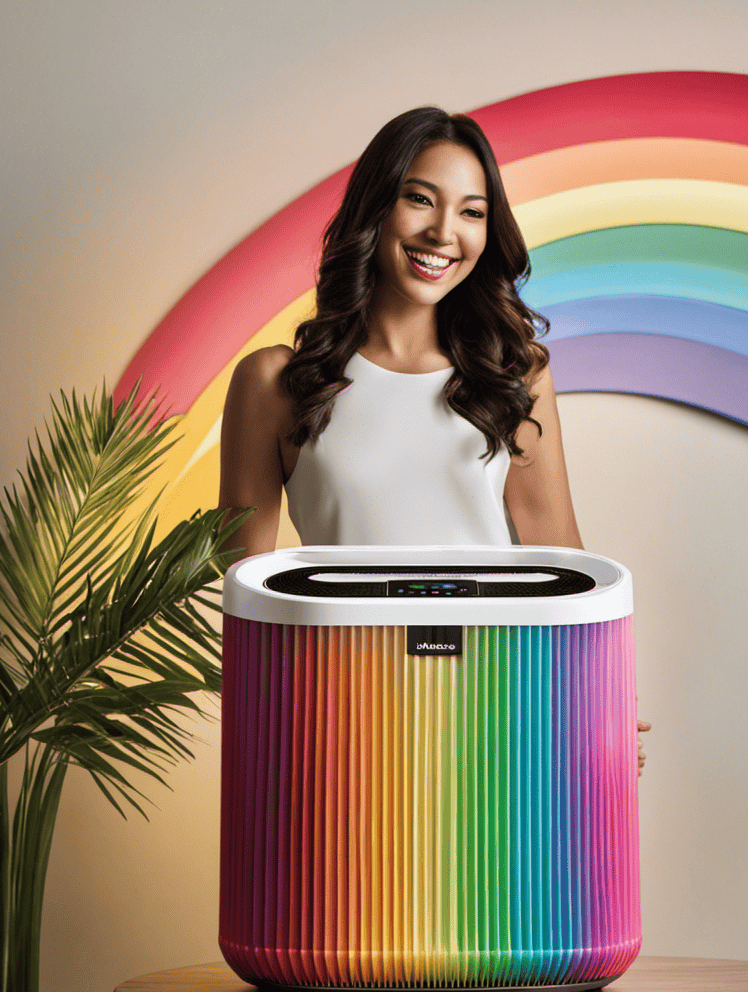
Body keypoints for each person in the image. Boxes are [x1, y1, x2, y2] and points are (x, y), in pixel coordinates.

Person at [219, 106, 648, 774]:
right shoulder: (275, 382)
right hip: (338, 722)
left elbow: (561, 555)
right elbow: (241, 591)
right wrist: (274, 731)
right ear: (376, 208)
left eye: (472, 212)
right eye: (420, 198)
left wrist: (600, 699)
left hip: (503, 710)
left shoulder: (517, 375)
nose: (443, 233)